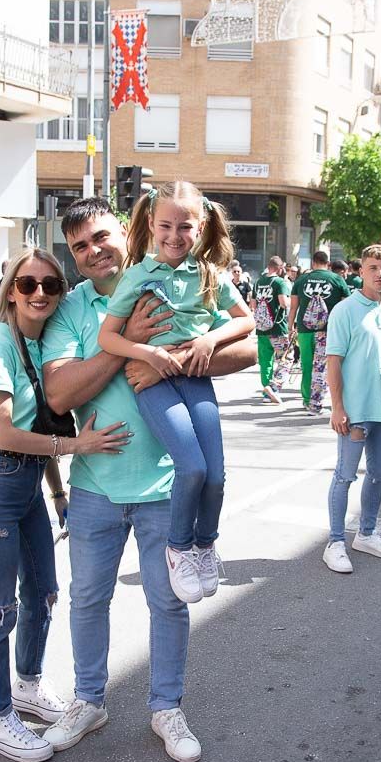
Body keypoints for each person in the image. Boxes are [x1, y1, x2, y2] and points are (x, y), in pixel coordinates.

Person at [40, 196, 256, 762]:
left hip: (165, 488)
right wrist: (129, 346)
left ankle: (166, 708)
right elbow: (60, 394)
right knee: (88, 599)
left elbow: (251, 346)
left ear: (124, 231)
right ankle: (88, 701)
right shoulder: (72, 310)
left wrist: (178, 355)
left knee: (168, 603)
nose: (93, 252)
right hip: (95, 486)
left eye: (101, 237)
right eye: (80, 246)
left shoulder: (172, 279)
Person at [0, 247, 131, 762]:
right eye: (27, 284)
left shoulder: (37, 344)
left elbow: (42, 426)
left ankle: (27, 684)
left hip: (28, 485)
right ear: (11, 289)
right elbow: (5, 432)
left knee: (43, 593)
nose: (38, 294)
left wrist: (57, 494)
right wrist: (77, 448)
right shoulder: (2, 346)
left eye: (50, 286)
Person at [97, 182, 254, 602]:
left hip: (195, 379)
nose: (174, 235)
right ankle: (179, 547)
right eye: (165, 225)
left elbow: (245, 321)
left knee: (216, 475)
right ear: (151, 224)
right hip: (152, 383)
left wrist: (209, 340)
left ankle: (205, 544)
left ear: (200, 227)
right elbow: (108, 338)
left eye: (185, 226)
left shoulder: (208, 273)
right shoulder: (138, 275)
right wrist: (145, 352)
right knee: (192, 468)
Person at [323, 245, 381, 575]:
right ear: (361, 271)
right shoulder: (345, 310)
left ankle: (367, 534)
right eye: (373, 267)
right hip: (353, 411)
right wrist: (337, 407)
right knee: (344, 476)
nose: (380, 273)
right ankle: (335, 542)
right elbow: (333, 362)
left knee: (379, 475)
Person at [289, 248, 348, 415]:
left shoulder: (301, 280)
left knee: (307, 365)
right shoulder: (337, 279)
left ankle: (307, 399)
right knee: (322, 367)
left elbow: (294, 306)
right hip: (328, 330)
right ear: (328, 263)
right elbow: (345, 307)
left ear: (313, 263)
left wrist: (290, 327)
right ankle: (317, 401)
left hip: (304, 328)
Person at [252, 255, 292, 404]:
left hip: (262, 328)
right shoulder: (280, 282)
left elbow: (253, 305)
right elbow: (283, 303)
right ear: (280, 268)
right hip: (277, 327)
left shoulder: (258, 282)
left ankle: (266, 393)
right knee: (286, 357)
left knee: (265, 361)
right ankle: (274, 387)